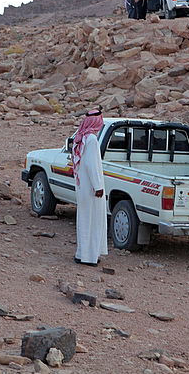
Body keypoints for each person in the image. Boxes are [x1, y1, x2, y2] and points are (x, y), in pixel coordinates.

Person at [71, 108, 108, 266]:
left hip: (83, 187)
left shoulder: (82, 137)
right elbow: (91, 165)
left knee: (85, 219)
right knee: (93, 220)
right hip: (92, 189)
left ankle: (82, 253)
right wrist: (98, 186)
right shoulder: (91, 139)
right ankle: (89, 257)